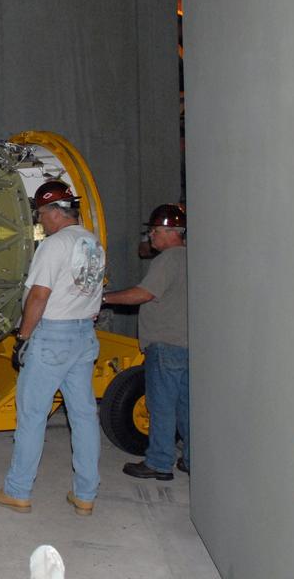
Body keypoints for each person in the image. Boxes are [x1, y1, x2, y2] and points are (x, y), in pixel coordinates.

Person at [0, 181, 105, 517]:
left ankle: (18, 491)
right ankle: (85, 494)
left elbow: (39, 296)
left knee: (32, 415)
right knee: (83, 417)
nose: (41, 222)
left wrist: (23, 338)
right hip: (84, 335)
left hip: (52, 336)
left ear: (56, 212)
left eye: (42, 215)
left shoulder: (55, 246)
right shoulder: (93, 243)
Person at [101, 203, 188, 479]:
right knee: (186, 406)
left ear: (168, 231)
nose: (150, 237)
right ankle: (192, 459)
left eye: (153, 231)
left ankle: (159, 463)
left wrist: (103, 298)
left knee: (160, 406)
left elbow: (143, 294)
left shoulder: (168, 260)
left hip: (165, 345)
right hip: (188, 345)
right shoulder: (191, 257)